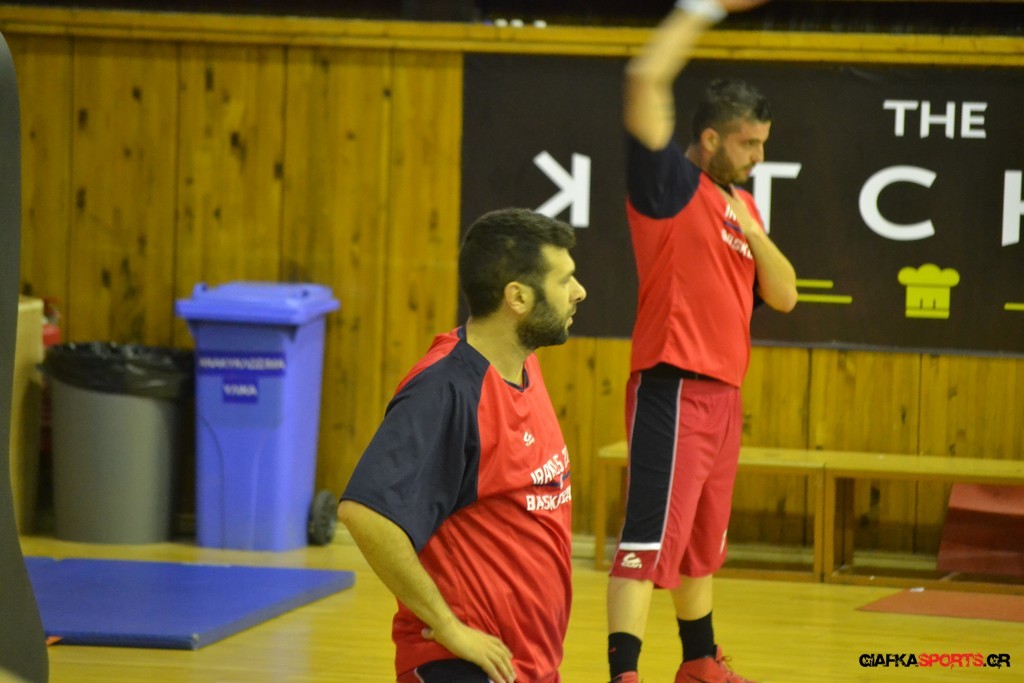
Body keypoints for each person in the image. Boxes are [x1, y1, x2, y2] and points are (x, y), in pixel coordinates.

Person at [606, 1, 798, 682]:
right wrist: (704, 8)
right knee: (646, 542)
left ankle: (699, 663)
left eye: (764, 143)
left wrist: (751, 230)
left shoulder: (742, 205)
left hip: (723, 398)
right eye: (749, 144)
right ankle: (624, 673)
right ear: (711, 139)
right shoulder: (669, 186)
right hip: (673, 385)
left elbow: (785, 293)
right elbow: (644, 78)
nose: (760, 156)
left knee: (700, 546)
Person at [338, 208, 586, 683]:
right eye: (564, 280)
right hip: (461, 666)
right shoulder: (446, 389)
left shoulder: (522, 363)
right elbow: (365, 513)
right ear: (518, 297)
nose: (579, 291)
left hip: (521, 665)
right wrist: (448, 627)